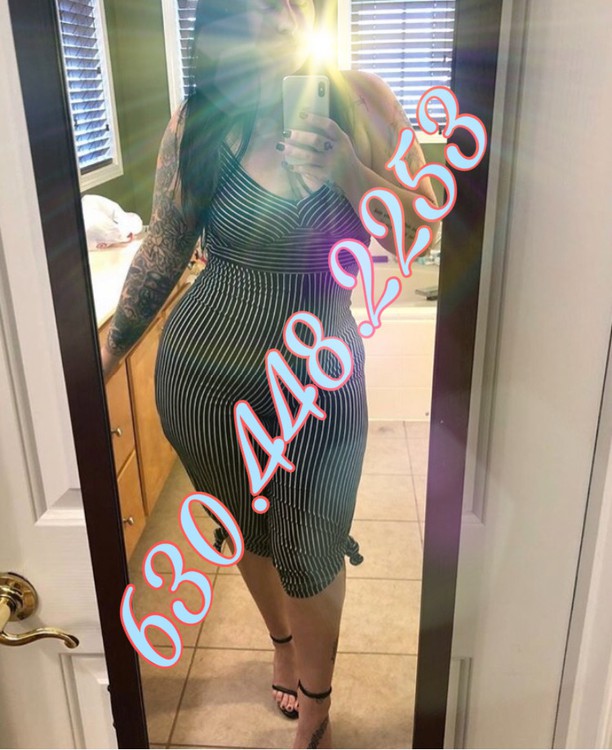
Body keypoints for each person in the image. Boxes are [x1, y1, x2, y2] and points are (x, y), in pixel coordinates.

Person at [101, 0, 439, 747]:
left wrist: (350, 171)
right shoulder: (199, 123)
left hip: (316, 390)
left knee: (312, 550)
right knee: (247, 533)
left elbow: (420, 234)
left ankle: (317, 702)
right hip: (203, 382)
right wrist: (104, 358)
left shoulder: (365, 104)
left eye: (280, 6)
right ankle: (281, 647)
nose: (271, 25)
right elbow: (164, 248)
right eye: (245, 14)